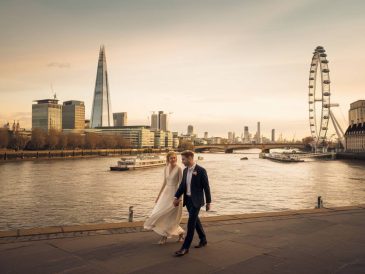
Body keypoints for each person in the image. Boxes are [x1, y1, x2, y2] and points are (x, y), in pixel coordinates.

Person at [173, 150, 212, 257]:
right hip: (188, 200)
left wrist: (208, 202)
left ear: (190, 158)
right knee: (196, 221)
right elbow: (182, 186)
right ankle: (203, 240)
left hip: (197, 201)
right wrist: (176, 196)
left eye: (184, 159)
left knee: (191, 224)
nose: (182, 161)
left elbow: (206, 187)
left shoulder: (201, 170)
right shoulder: (185, 171)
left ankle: (185, 248)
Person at [144, 151, 185, 244]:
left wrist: (179, 198)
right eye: (171, 158)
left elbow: (181, 184)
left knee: (170, 217)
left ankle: (165, 237)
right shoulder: (166, 168)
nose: (173, 159)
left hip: (175, 195)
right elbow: (164, 183)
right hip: (166, 194)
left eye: (174, 158)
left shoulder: (179, 169)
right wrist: (159, 196)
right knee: (162, 214)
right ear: (168, 159)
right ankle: (179, 234)